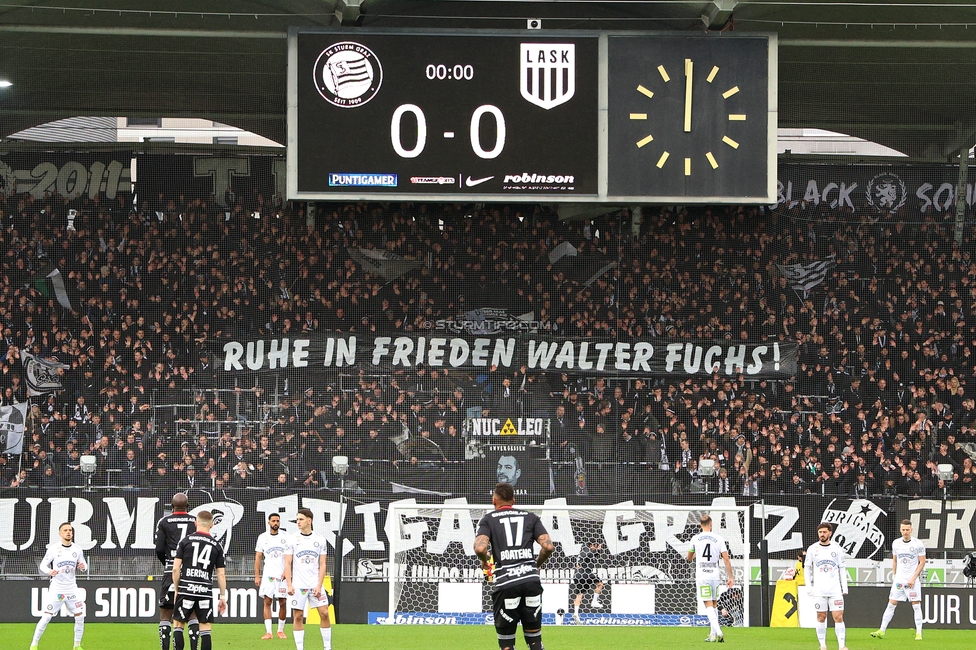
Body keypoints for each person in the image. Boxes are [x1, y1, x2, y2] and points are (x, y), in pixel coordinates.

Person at [473, 482, 555, 650]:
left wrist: (485, 559)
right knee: (535, 641)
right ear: (513, 500)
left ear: (494, 500)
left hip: (506, 583)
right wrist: (536, 564)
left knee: (507, 642)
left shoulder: (488, 520)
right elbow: (548, 547)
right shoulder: (531, 517)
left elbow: (480, 548)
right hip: (531, 581)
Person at [171, 510, 228, 650]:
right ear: (212, 525)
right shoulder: (217, 545)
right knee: (205, 628)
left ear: (196, 523)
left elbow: (175, 569)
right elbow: (221, 574)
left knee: (178, 625)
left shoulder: (185, 541)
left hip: (186, 588)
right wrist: (222, 596)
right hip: (204, 591)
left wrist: (177, 589)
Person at [30, 522, 87, 650]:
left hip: (72, 589)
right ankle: (34, 644)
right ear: (60, 533)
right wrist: (49, 571)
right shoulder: (53, 549)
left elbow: (83, 565)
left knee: (80, 617)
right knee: (46, 617)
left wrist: (83, 567)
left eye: (70, 530)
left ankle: (77, 645)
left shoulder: (77, 550)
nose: (68, 532)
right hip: (57, 589)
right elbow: (43, 565)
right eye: (65, 530)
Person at [155, 493, 200, 650]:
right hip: (191, 572)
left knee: (166, 612)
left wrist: (167, 563)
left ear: (172, 506)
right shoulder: (195, 521)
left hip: (170, 570)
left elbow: (159, 548)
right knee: (193, 611)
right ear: (187, 506)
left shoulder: (164, 522)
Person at [284, 508, 331, 650]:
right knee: (298, 616)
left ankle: (327, 647)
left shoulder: (320, 539)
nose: (298, 522)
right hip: (298, 585)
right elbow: (287, 563)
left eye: (301, 519)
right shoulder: (292, 539)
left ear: (309, 521)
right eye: (297, 519)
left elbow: (322, 564)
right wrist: (289, 584)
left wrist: (319, 585)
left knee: (324, 613)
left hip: (315, 584)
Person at [871, 519, 926, 640]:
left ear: (911, 530)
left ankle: (919, 633)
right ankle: (882, 630)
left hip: (912, 580)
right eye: (903, 529)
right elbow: (895, 560)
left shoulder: (918, 544)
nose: (905, 532)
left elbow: (922, 562)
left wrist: (913, 578)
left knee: (916, 606)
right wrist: (895, 575)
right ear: (900, 530)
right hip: (899, 580)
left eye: (907, 530)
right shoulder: (896, 543)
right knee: (891, 604)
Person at [687, 514, 735, 642]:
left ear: (700, 525)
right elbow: (726, 558)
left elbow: (689, 558)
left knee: (707, 603)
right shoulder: (718, 538)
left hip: (703, 575)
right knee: (714, 603)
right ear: (711, 524)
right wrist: (730, 577)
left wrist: (697, 555)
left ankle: (719, 632)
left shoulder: (695, 539)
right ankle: (712, 635)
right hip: (715, 574)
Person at [805, 522, 849, 650]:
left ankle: (841, 646)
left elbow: (842, 568)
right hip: (819, 590)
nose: (822, 535)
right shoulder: (812, 549)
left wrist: (844, 587)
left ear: (830, 533)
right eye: (820, 532)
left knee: (838, 616)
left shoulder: (837, 548)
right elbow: (807, 568)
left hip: (835, 589)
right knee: (821, 616)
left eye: (824, 532)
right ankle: (822, 645)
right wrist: (809, 587)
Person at [255, 513, 289, 640]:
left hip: (282, 576)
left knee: (283, 602)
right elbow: (258, 557)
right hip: (268, 575)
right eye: (273, 521)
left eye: (278, 521)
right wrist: (257, 576)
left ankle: (280, 630)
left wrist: (287, 571)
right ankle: (268, 632)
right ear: (269, 522)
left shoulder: (286, 537)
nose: (276, 523)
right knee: (267, 601)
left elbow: (289, 556)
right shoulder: (263, 537)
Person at [569, 540, 605, 623]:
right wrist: (596, 550)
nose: (596, 547)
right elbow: (587, 555)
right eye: (595, 545)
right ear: (592, 545)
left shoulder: (585, 550)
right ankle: (594, 601)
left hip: (577, 575)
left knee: (579, 594)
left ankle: (576, 613)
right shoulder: (587, 550)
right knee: (600, 584)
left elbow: (591, 556)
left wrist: (598, 551)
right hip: (585, 573)